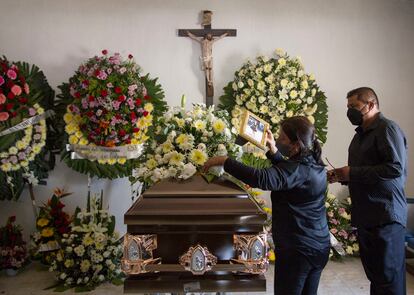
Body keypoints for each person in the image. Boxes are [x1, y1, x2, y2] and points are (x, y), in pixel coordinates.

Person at [203, 116, 330, 295]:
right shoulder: (314, 163)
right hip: (318, 245)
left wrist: (225, 162)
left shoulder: (297, 169)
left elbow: (261, 178)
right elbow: (290, 175)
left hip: (298, 249)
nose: (278, 139)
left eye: (282, 138)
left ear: (296, 144)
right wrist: (273, 150)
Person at [328, 87, 408, 295]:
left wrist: (352, 172)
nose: (350, 111)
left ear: (371, 105)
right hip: (367, 216)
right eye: (348, 107)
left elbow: (395, 168)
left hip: (386, 215)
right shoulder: (360, 135)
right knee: (377, 278)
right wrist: (342, 176)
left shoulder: (387, 129)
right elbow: (365, 172)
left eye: (354, 106)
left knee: (388, 280)